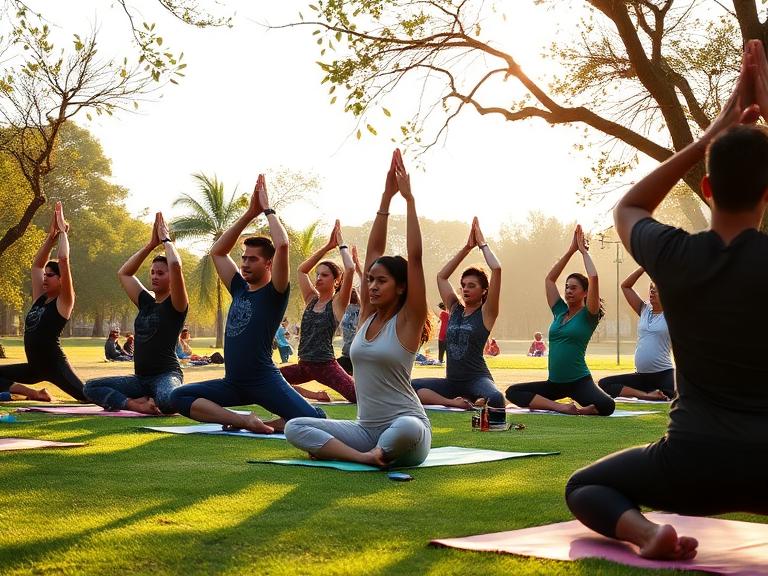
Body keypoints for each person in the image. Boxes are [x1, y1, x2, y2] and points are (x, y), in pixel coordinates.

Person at [566, 41, 768, 561]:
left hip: (692, 459)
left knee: (585, 488)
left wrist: (708, 136)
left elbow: (629, 205)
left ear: (705, 186)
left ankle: (647, 534)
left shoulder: (676, 255)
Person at [284, 149, 431, 468]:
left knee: (407, 427)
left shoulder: (409, 321)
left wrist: (408, 200)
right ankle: (366, 458)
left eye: (382, 281)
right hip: (365, 432)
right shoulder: (366, 317)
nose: (373, 286)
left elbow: (415, 258)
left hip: (408, 431)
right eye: (371, 281)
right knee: (294, 427)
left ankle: (374, 452)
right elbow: (375, 251)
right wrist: (384, 198)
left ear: (401, 286)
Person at [169, 174, 324, 433]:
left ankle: (274, 424)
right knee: (178, 397)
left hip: (265, 380)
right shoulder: (239, 288)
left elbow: (282, 244)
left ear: (268, 264)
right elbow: (217, 252)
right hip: (234, 383)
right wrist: (249, 214)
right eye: (243, 258)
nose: (244, 263)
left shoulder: (275, 292)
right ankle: (245, 421)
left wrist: (267, 210)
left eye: (252, 259)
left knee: (315, 422)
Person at [84, 212, 188, 414]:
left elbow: (175, 265)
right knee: (90, 387)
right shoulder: (146, 302)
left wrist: (166, 240)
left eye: (161, 273)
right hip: (140, 379)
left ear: (171, 277)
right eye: (153, 272)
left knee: (168, 401)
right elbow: (124, 273)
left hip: (166, 375)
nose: (155, 276)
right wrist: (150, 245)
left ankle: (152, 399)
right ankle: (138, 404)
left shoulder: (176, 304)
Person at [505, 226, 614, 416]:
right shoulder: (559, 311)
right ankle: (563, 407)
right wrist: (570, 250)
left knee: (607, 406)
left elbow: (594, 277)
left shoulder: (589, 314)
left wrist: (583, 252)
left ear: (585, 292)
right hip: (554, 383)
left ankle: (582, 411)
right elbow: (549, 280)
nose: (568, 291)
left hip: (580, 381)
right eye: (567, 287)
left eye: (574, 288)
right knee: (513, 392)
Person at [411, 217, 504, 417]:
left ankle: (475, 399)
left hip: (477, 379)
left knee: (496, 399)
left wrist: (482, 244)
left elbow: (496, 269)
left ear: (484, 290)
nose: (465, 289)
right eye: (463, 285)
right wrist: (466, 248)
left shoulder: (487, 313)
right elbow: (441, 277)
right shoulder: (455, 308)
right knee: (406, 386)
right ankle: (455, 402)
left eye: (472, 286)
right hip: (452, 383)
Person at [0, 203, 86, 402]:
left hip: (55, 366)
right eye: (45, 275)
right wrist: (51, 236)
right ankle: (35, 394)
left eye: (50, 275)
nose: (45, 278)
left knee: (87, 397)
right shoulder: (41, 298)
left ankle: (137, 399)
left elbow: (63, 259)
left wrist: (63, 231)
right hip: (34, 367)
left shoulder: (64, 301)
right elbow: (37, 264)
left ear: (61, 279)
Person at [280, 220, 357, 403]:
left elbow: (350, 268)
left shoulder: (338, 302)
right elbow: (302, 271)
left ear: (336, 281)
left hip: (326, 366)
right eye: (318, 274)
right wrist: (327, 246)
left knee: (358, 397)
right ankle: (316, 395)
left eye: (325, 275)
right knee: (265, 380)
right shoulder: (311, 299)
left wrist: (341, 244)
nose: (319, 278)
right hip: (303, 365)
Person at [597, 268, 674, 401]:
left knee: (676, 393)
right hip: (641, 376)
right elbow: (625, 286)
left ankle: (656, 393)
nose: (652, 291)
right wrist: (644, 266)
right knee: (604, 384)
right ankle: (645, 395)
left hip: (664, 374)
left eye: (657, 288)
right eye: (651, 288)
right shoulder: (644, 309)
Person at [336, 246, 364, 376]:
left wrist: (358, 267)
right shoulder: (342, 307)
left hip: (360, 354)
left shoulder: (364, 308)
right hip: (347, 354)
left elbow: (366, 286)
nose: (352, 293)